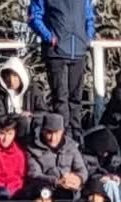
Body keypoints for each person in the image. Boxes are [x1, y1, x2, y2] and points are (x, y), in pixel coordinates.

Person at [28, 0, 95, 139]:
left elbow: (89, 16)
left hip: (78, 51)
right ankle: (63, 136)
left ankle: (76, 135)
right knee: (60, 99)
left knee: (76, 99)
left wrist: (88, 37)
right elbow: (34, 16)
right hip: (56, 52)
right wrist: (49, 37)